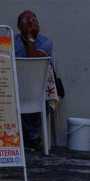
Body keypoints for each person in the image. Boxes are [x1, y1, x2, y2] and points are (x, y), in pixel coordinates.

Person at [14, 11, 53, 150]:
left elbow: (33, 62)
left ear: (37, 24)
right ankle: (32, 136)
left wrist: (30, 37)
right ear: (19, 26)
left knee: (33, 99)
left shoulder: (46, 42)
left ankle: (30, 136)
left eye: (33, 19)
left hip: (38, 88)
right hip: (17, 87)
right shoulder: (11, 42)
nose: (30, 21)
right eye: (26, 19)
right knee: (13, 95)